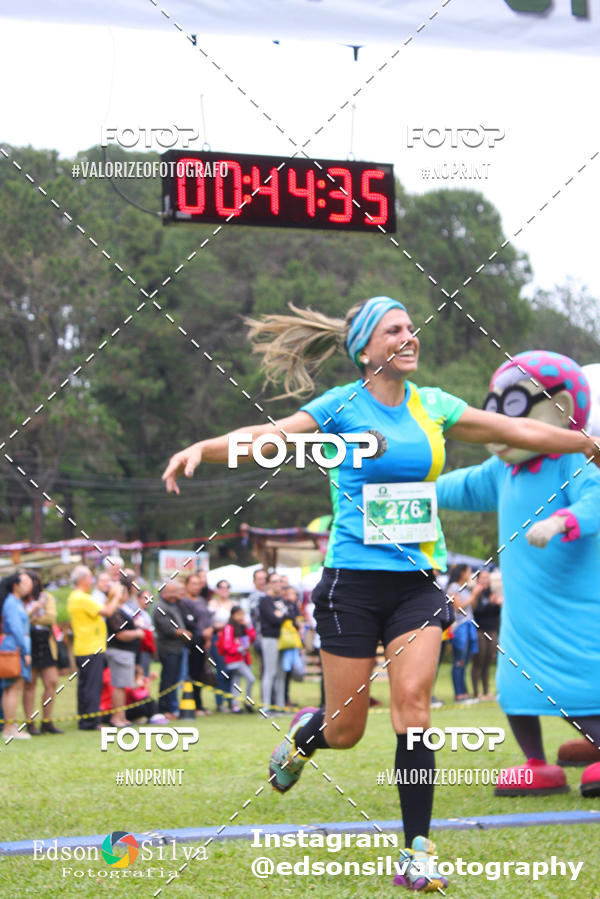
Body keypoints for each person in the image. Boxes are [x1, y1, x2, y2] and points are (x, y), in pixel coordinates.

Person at [162, 296, 600, 889]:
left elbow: (518, 428)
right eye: (395, 329)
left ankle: (416, 852)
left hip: (419, 583)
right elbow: (266, 437)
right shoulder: (341, 406)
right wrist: (202, 449)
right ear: (366, 348)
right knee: (347, 729)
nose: (409, 335)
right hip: (353, 584)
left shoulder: (436, 406)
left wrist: (580, 441)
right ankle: (307, 736)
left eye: (412, 327)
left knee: (413, 710)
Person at [437, 350, 600, 797]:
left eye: (515, 407)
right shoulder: (504, 469)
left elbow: (595, 502)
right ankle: (536, 761)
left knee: (584, 677)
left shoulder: (573, 458)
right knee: (516, 682)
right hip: (524, 610)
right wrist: (412, 489)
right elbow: (462, 486)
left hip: (576, 602)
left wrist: (560, 522)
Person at [67, 565, 120, 731]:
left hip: (84, 647)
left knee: (84, 686)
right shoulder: (82, 598)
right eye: (90, 577)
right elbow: (107, 611)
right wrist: (117, 596)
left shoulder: (76, 597)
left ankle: (85, 719)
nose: (92, 581)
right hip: (91, 648)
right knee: (92, 686)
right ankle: (91, 721)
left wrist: (110, 596)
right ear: (83, 580)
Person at [22, 572, 63, 735]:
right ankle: (29, 721)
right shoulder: (19, 600)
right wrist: (35, 612)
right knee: (29, 684)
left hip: (45, 642)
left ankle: (47, 720)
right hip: (28, 642)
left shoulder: (47, 597)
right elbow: (21, 619)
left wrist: (32, 617)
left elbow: (51, 618)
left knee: (51, 682)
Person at [105, 576, 144, 727]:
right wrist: (137, 633)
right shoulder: (114, 611)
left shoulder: (122, 609)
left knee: (122, 685)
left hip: (126, 652)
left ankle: (122, 716)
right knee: (119, 686)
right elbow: (120, 633)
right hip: (119, 651)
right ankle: (117, 717)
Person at [1, 571, 33, 741]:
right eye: (24, 583)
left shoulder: (14, 602)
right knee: (14, 688)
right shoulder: (12, 603)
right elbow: (16, 628)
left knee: (9, 689)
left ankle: (9, 725)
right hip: (15, 648)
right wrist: (25, 651)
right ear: (15, 585)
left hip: (12, 646)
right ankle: (9, 727)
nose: (27, 587)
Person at [153, 583, 192, 719]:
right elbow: (167, 628)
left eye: (176, 592)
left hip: (178, 648)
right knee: (168, 680)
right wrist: (182, 632)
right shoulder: (160, 607)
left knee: (175, 680)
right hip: (168, 648)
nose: (174, 595)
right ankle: (164, 709)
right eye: (171, 592)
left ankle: (171, 707)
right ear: (163, 593)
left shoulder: (174, 605)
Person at [258, 572, 291, 714]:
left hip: (283, 640)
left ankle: (280, 705)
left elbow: (291, 615)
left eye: (280, 581)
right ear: (269, 583)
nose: (278, 584)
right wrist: (281, 616)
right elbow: (273, 619)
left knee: (281, 674)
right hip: (270, 638)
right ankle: (266, 705)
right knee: (269, 672)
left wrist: (281, 615)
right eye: (275, 581)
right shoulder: (265, 600)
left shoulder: (282, 600)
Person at [181, 572, 214, 715]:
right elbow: (189, 623)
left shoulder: (201, 600)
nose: (196, 587)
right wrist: (201, 633)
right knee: (192, 672)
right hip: (191, 642)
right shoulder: (184, 602)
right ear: (187, 585)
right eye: (193, 584)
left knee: (202, 673)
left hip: (203, 641)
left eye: (198, 584)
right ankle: (192, 704)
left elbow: (208, 619)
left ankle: (199, 704)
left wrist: (208, 634)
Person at [446, 565, 480, 703]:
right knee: (459, 661)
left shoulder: (464, 588)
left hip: (469, 626)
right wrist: (473, 595)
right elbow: (459, 608)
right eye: (468, 571)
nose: (470, 574)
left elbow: (472, 608)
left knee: (465, 661)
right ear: (462, 573)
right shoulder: (454, 587)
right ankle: (459, 694)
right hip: (460, 628)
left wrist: (474, 594)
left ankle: (464, 693)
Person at [470, 569, 501, 701]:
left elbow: (494, 614)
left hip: (492, 630)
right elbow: (475, 611)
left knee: (488, 662)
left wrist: (497, 605)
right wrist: (490, 603)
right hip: (479, 630)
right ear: (477, 580)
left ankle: (486, 691)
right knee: (479, 662)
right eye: (482, 578)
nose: (485, 580)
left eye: (487, 578)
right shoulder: (475, 594)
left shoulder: (491, 593)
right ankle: (477, 693)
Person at [220, 605, 256, 712]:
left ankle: (235, 705)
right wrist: (238, 648)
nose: (241, 617)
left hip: (243, 658)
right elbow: (227, 645)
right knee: (251, 679)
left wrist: (248, 626)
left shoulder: (243, 626)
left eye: (242, 614)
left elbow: (252, 638)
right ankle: (246, 702)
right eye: (238, 614)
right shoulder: (229, 627)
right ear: (233, 615)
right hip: (234, 660)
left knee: (236, 682)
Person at [208, 580, 234, 712]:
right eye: (221, 587)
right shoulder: (212, 604)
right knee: (220, 670)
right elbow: (210, 623)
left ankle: (231, 700)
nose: (224, 590)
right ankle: (220, 702)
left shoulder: (233, 604)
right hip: (218, 639)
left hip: (231, 640)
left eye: (227, 587)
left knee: (230, 670)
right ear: (217, 589)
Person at [281, 586, 305, 707]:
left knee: (292, 672)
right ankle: (282, 699)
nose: (293, 596)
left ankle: (286, 698)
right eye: (290, 594)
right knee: (285, 672)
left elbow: (300, 626)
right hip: (286, 644)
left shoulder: (295, 607)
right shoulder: (285, 607)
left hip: (294, 644)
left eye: (294, 594)